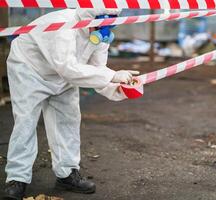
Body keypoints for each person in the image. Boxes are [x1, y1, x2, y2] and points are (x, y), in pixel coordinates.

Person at [4, 8, 139, 199]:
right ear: (90, 17)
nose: (105, 30)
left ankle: (67, 174)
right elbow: (67, 68)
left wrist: (118, 87)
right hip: (30, 68)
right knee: (26, 121)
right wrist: (113, 76)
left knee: (68, 120)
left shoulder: (100, 33)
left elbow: (97, 70)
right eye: (103, 23)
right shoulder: (64, 25)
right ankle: (17, 179)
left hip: (63, 74)